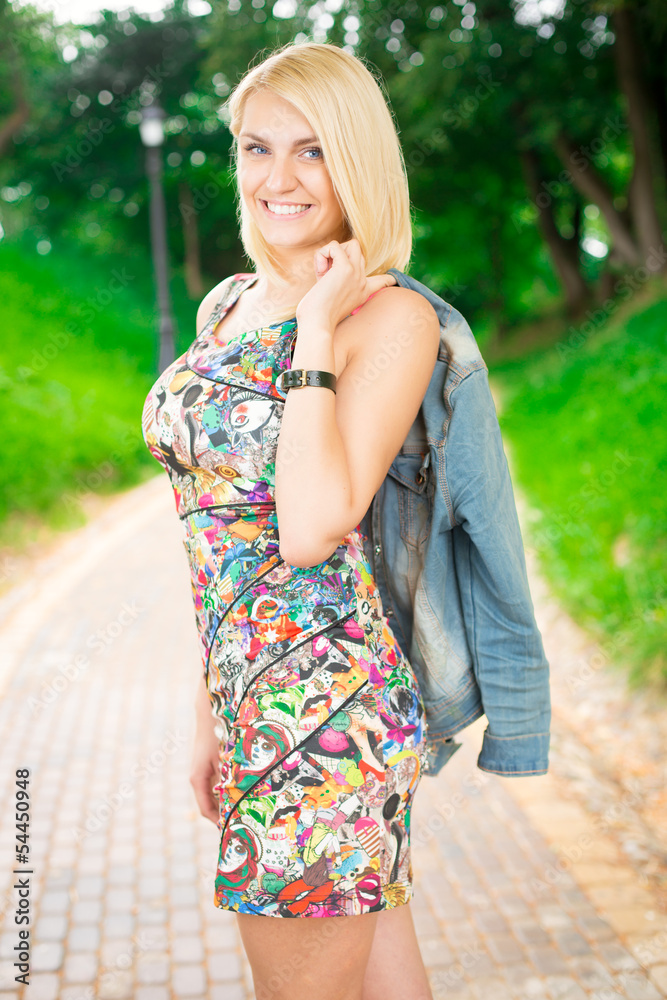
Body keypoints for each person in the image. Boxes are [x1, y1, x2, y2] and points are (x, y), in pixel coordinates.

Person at [141, 40, 441, 1000]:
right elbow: (217, 538)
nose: (278, 178)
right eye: (256, 148)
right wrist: (210, 710)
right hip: (254, 703)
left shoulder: (389, 322)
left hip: (324, 715)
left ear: (357, 161)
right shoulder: (226, 303)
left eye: (311, 150)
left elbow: (311, 528)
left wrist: (314, 329)